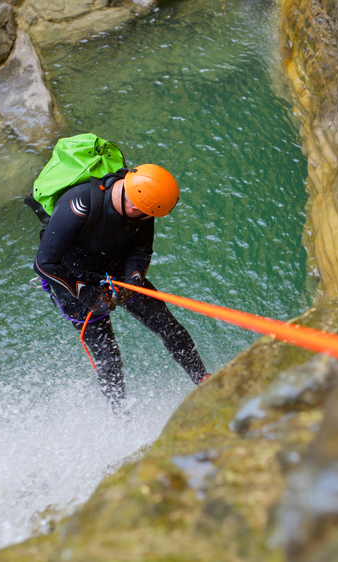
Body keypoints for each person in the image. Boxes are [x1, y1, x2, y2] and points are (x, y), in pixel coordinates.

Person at [29, 164, 209, 414]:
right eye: (146, 214)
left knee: (168, 326)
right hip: (72, 280)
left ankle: (203, 380)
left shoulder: (144, 204)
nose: (149, 219)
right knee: (108, 356)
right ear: (135, 206)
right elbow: (44, 263)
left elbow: (141, 251)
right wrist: (89, 295)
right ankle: (121, 414)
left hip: (115, 273)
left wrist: (133, 281)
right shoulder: (79, 206)